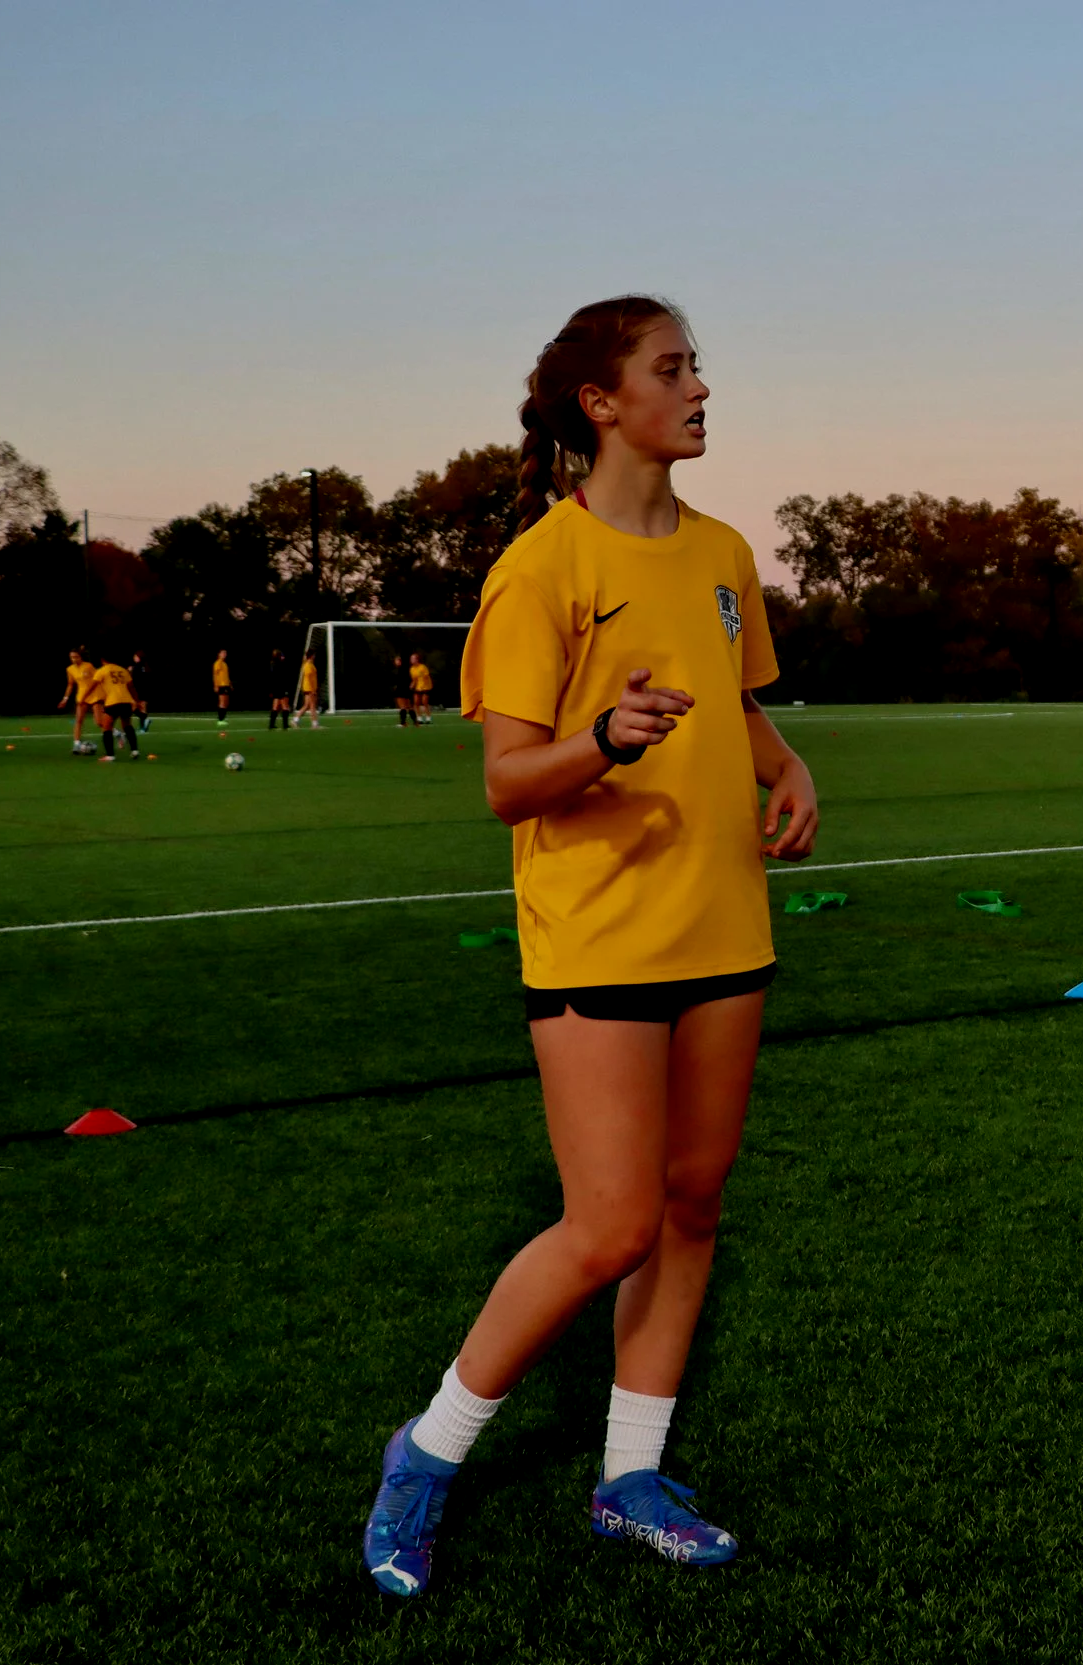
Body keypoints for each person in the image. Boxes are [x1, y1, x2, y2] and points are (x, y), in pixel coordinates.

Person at [362, 295, 818, 1599]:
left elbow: (741, 710)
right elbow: (509, 783)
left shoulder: (725, 551)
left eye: (698, 366)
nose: (700, 387)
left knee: (690, 1207)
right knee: (608, 1223)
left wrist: (788, 767)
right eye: (672, 369)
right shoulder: (541, 567)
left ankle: (630, 1476)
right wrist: (604, 742)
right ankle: (429, 1450)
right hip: (598, 940)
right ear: (601, 404)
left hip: (725, 924)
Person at [92, 656, 138, 759]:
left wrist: (85, 696)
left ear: (102, 660)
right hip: (126, 701)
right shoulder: (122, 670)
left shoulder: (102, 670)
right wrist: (136, 700)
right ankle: (135, 751)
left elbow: (93, 685)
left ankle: (110, 755)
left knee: (106, 727)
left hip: (113, 701)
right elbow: (131, 686)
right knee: (127, 726)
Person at [60, 649, 97, 754]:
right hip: (81, 697)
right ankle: (76, 744)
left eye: (76, 657)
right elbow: (70, 684)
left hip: (94, 696)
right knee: (78, 720)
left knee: (99, 721)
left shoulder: (88, 666)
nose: (74, 659)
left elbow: (98, 679)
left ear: (81, 657)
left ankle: (117, 734)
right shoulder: (70, 669)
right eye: (72, 657)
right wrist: (65, 699)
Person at [267, 649, 292, 730]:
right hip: (281, 686)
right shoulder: (280, 664)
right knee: (285, 706)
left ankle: (271, 724)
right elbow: (283, 674)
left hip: (275, 687)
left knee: (275, 706)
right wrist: (283, 658)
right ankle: (285, 725)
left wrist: (270, 690)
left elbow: (271, 678)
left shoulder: (272, 664)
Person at [128, 650, 152, 733]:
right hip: (145, 690)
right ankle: (143, 728)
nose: (134, 658)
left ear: (139, 658)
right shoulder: (145, 667)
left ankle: (145, 720)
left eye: (135, 656)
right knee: (143, 709)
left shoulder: (136, 667)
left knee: (133, 708)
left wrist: (130, 670)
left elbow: (133, 680)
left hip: (137, 690)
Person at [409, 652, 435, 724]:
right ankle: (419, 718)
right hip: (418, 687)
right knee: (416, 703)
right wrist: (411, 686)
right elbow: (414, 680)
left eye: (413, 658)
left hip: (426, 687)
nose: (411, 660)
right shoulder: (412, 669)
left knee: (424, 702)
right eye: (411, 659)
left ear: (417, 660)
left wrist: (423, 686)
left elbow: (426, 677)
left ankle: (428, 717)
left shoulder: (423, 667)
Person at [298, 650, 322, 728]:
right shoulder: (308, 665)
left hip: (309, 688)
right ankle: (314, 724)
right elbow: (309, 679)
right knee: (312, 706)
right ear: (311, 655)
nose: (314, 656)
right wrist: (313, 690)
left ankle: (295, 720)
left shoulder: (309, 664)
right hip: (309, 688)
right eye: (314, 655)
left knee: (307, 705)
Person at [212, 648, 233, 724]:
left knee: (227, 703)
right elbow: (215, 674)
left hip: (226, 685)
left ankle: (223, 719)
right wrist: (216, 685)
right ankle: (220, 720)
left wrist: (230, 684)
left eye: (225, 653)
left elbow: (226, 675)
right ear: (219, 654)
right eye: (223, 653)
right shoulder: (218, 663)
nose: (225, 654)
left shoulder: (225, 664)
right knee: (222, 702)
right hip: (221, 685)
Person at [392, 654, 413, 727]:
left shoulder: (400, 669)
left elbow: (401, 680)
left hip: (402, 689)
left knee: (403, 707)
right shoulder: (403, 669)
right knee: (408, 706)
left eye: (396, 661)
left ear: (399, 661)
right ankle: (415, 722)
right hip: (405, 689)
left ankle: (403, 723)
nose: (395, 662)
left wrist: (397, 686)